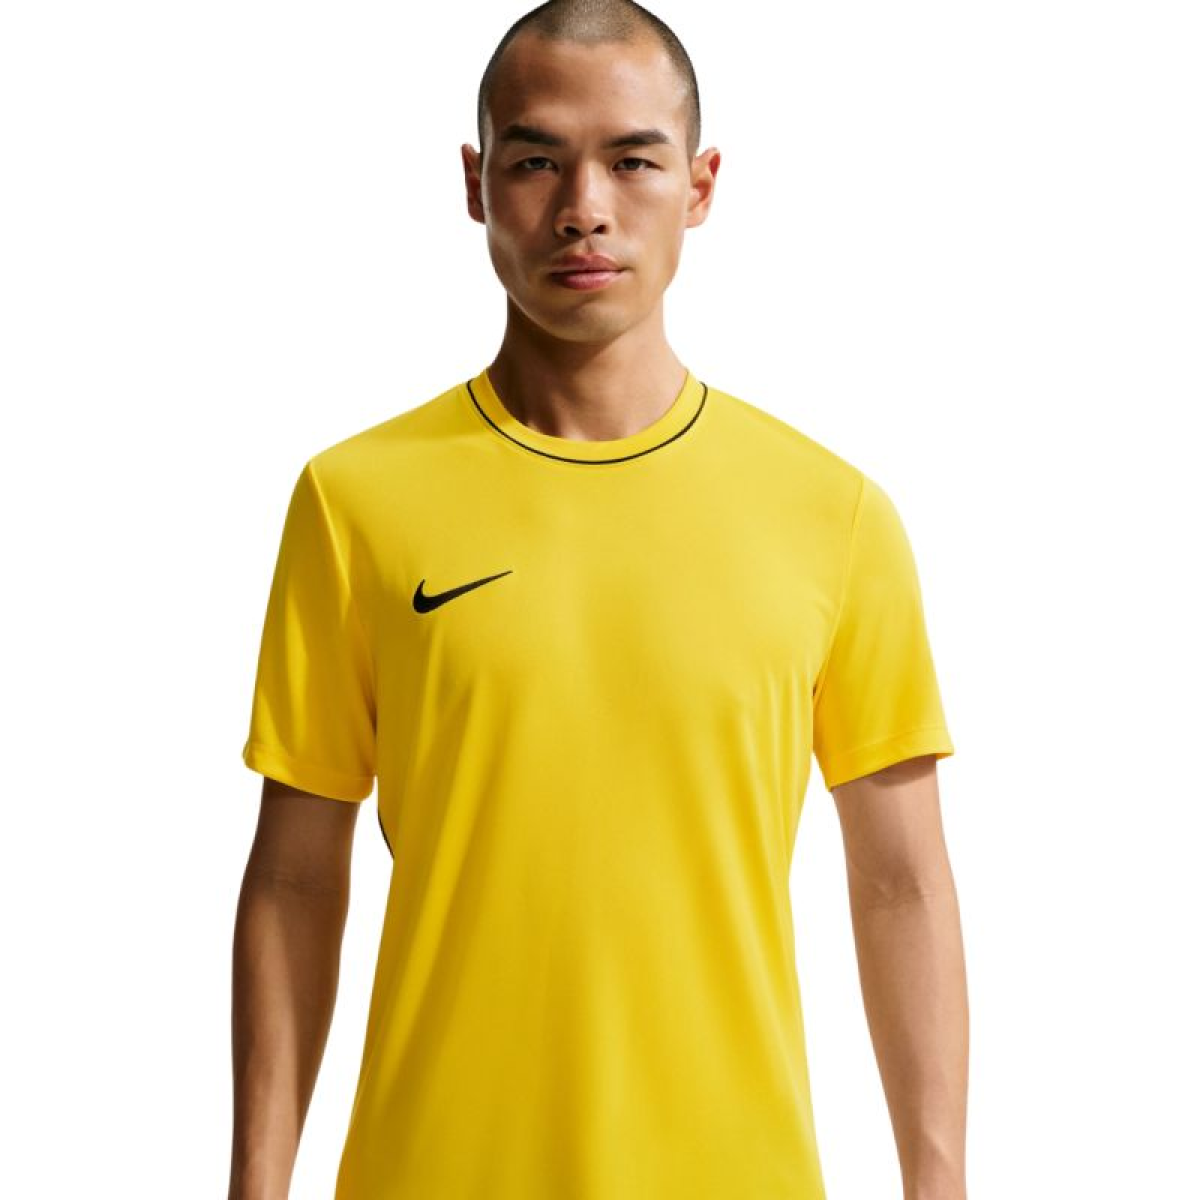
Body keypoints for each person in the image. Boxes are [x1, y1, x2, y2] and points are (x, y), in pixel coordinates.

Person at [229, 1, 969, 1197]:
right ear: (475, 184)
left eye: (632, 160)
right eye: (536, 161)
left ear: (700, 185)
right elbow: (296, 879)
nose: (585, 207)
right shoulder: (353, 502)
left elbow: (902, 883)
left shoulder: (832, 516)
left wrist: (939, 1185)